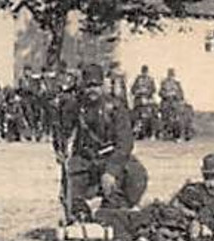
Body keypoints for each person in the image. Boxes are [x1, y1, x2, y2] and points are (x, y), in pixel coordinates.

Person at [56, 63, 147, 218]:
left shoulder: (115, 108)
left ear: (103, 85)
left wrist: (111, 171)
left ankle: (118, 209)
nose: (92, 90)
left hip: (110, 157)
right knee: (72, 180)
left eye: (96, 85)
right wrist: (60, 150)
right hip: (85, 158)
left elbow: (125, 143)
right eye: (88, 85)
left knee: (135, 174)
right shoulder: (75, 107)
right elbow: (61, 129)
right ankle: (77, 214)